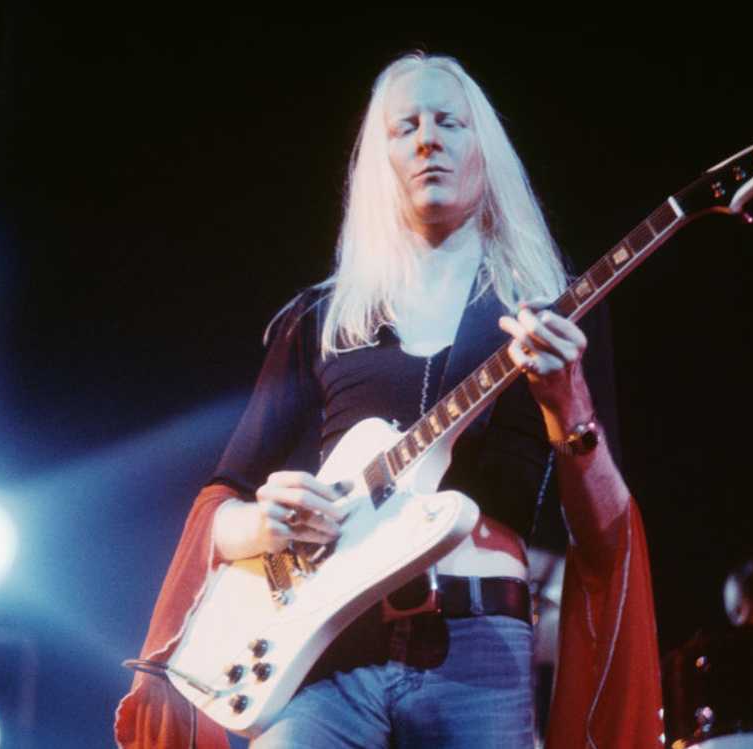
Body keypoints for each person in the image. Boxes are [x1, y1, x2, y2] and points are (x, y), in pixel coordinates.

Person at [115, 52, 662, 749]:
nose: (428, 139)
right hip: (326, 657)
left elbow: (606, 533)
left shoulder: (553, 313)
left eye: (449, 122)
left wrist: (569, 403)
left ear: (482, 148)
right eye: (405, 127)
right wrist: (265, 523)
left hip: (480, 650)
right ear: (382, 161)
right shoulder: (319, 320)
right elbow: (218, 508)